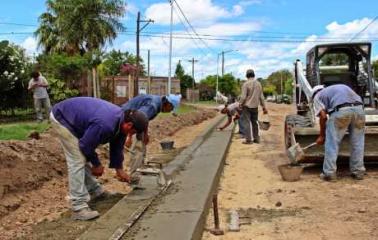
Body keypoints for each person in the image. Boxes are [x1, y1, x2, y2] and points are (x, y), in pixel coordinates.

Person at [50, 97, 148, 220]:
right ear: (129, 125)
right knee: (77, 159)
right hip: (63, 117)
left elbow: (117, 146)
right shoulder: (105, 124)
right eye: (133, 132)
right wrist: (96, 164)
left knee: (81, 156)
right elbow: (85, 145)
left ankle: (96, 191)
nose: (131, 135)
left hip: (77, 118)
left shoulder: (121, 121)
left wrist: (119, 169)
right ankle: (78, 207)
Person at [312, 84, 366, 181]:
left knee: (332, 143)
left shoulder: (317, 96)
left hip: (341, 111)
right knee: (358, 143)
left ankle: (329, 173)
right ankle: (358, 172)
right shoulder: (336, 89)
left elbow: (323, 116)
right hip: (359, 110)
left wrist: (322, 135)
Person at [121, 94, 181, 179]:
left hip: (135, 122)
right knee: (138, 148)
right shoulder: (153, 105)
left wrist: (145, 134)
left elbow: (144, 119)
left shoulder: (157, 103)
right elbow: (136, 119)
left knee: (142, 145)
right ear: (168, 104)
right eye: (171, 109)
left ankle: (140, 169)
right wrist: (129, 137)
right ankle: (135, 174)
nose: (170, 111)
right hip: (126, 121)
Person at [239, 69, 268, 144]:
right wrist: (264, 107)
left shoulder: (245, 84)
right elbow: (261, 97)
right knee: (254, 122)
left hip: (247, 107)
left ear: (246, 76)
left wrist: (240, 104)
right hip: (255, 107)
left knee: (246, 123)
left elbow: (243, 97)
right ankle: (256, 139)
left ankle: (248, 140)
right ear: (254, 75)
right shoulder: (259, 84)